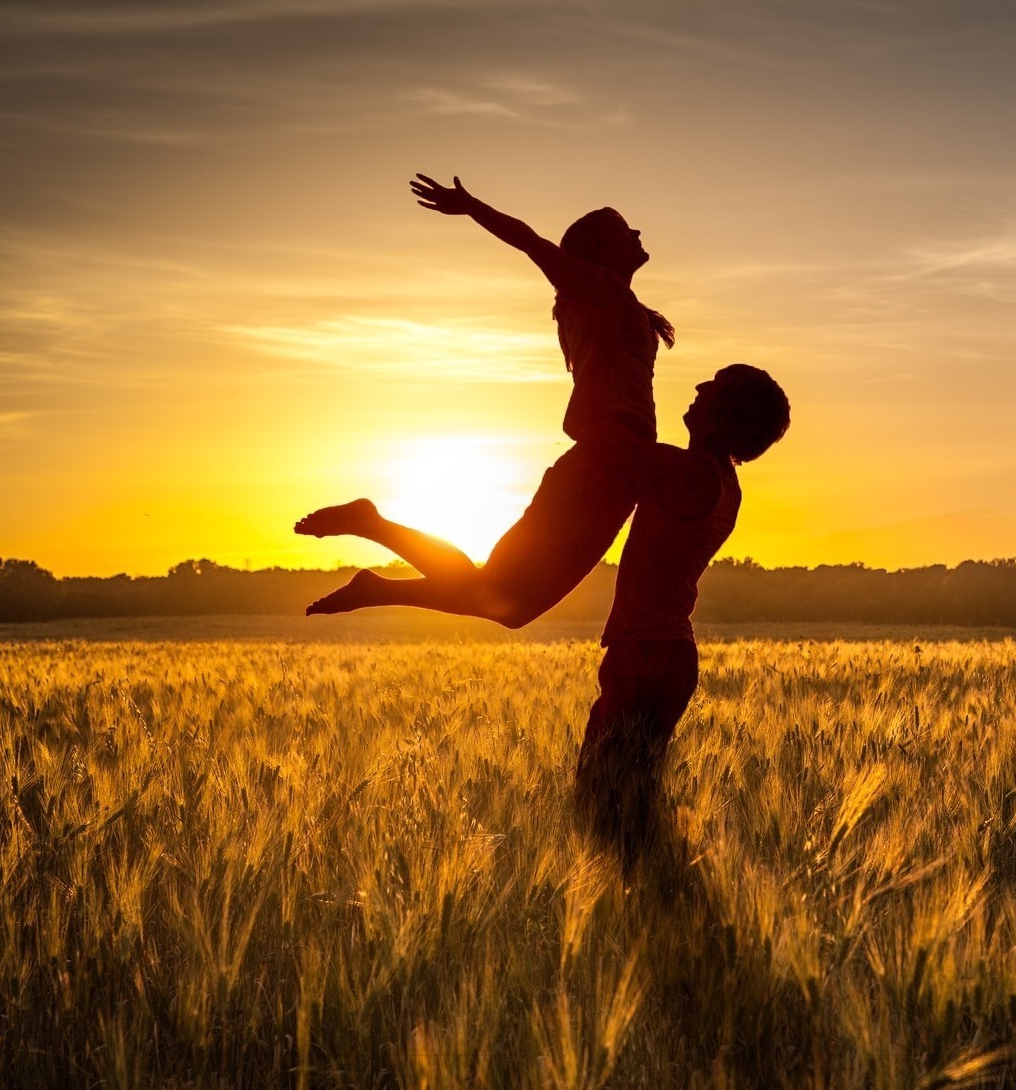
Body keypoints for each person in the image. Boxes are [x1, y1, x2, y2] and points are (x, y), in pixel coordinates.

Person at [296, 174, 673, 624]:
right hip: (601, 465)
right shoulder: (593, 290)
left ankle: (374, 575)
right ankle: (371, 529)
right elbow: (531, 242)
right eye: (622, 230)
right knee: (500, 594)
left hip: (620, 468)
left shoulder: (617, 303)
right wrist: (472, 207)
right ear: (598, 250)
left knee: (511, 607)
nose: (636, 234)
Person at [574, 363, 790, 880]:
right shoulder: (715, 479)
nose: (697, 387)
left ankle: (647, 906)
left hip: (648, 653)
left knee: (604, 804)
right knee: (625, 801)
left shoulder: (690, 475)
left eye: (713, 386)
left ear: (726, 414)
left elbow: (594, 435)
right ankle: (654, 905)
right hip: (661, 652)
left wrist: (606, 349)